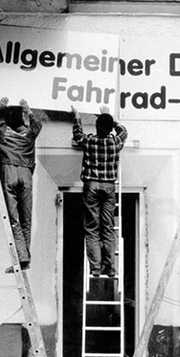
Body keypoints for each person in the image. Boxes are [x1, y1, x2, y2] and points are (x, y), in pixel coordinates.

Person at [71, 105, 128, 277]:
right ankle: (109, 268)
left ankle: (95, 268)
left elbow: (77, 135)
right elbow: (124, 131)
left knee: (92, 228)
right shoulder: (115, 142)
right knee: (108, 227)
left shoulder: (90, 141)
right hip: (109, 186)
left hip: (92, 185)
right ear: (110, 129)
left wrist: (77, 117)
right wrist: (108, 117)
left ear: (96, 127)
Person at [0, 97, 42, 272]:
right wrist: (28, 109)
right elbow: (37, 125)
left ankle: (22, 257)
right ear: (21, 119)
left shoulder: (3, 132)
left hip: (9, 172)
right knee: (26, 218)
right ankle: (24, 258)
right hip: (26, 174)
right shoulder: (29, 134)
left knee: (14, 219)